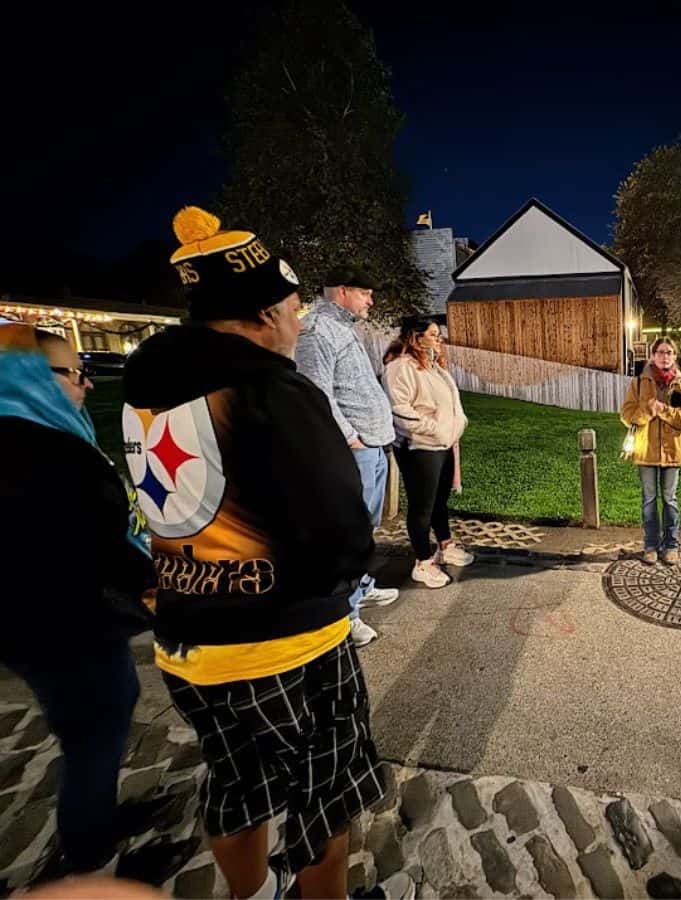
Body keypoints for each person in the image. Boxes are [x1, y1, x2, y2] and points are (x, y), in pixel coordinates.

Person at [122, 207, 405, 900]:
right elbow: (338, 525)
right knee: (322, 797)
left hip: (187, 636)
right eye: (289, 309)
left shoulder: (142, 388)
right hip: (285, 642)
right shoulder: (272, 390)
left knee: (234, 783)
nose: (299, 324)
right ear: (259, 314)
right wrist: (358, 570)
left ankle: (252, 896)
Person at [0, 325, 153, 876]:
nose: (86, 385)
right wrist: (150, 579)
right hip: (67, 626)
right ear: (32, 377)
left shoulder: (26, 437)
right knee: (94, 736)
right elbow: (99, 542)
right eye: (74, 373)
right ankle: (91, 858)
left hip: (35, 626)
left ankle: (97, 819)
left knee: (92, 726)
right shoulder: (49, 452)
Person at [294, 265, 399, 648]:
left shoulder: (341, 328)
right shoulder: (317, 330)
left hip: (371, 446)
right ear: (342, 291)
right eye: (365, 293)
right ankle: (345, 616)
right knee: (348, 535)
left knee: (365, 532)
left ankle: (362, 586)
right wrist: (352, 439)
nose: (371, 300)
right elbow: (317, 392)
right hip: (355, 451)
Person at [383, 318, 472, 588]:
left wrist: (456, 425)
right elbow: (400, 409)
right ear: (416, 337)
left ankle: (446, 546)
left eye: (439, 334)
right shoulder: (400, 367)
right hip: (420, 447)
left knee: (439, 501)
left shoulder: (431, 365)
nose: (439, 338)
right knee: (422, 506)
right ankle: (423, 562)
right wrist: (433, 429)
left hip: (442, 444)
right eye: (434, 334)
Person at [619, 336, 681, 565]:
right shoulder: (639, 382)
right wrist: (648, 410)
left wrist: (664, 410)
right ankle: (650, 546)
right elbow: (626, 415)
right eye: (661, 352)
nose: (665, 356)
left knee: (669, 499)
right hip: (646, 451)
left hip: (673, 452)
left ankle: (671, 545)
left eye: (669, 352)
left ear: (675, 356)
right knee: (649, 500)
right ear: (653, 355)